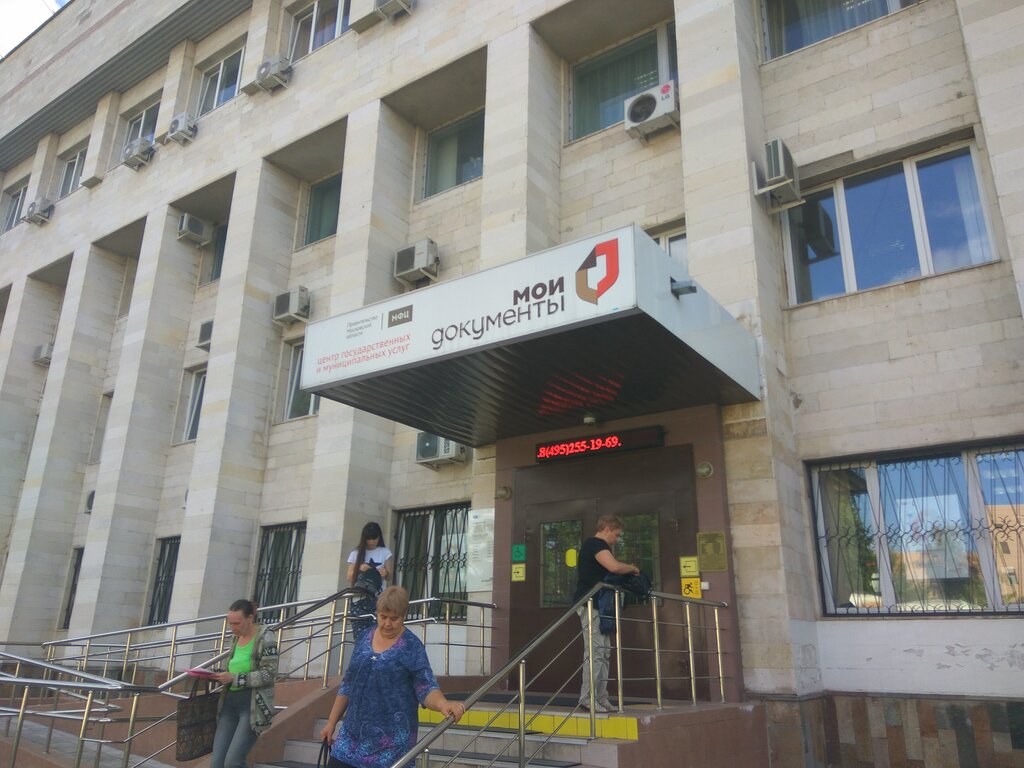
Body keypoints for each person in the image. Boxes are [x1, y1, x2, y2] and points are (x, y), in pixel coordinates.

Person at [319, 586, 466, 768]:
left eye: (394, 618)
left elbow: (425, 686)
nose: (387, 624)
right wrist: (331, 722)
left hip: (391, 750)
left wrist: (444, 704)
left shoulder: (411, 646)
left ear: (404, 616)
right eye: (383, 617)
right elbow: (348, 683)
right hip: (349, 743)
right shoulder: (364, 637)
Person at [573, 515, 640, 714]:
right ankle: (587, 698)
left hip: (601, 606)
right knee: (595, 652)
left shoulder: (600, 547)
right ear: (607, 528)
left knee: (604, 652)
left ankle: (601, 697)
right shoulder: (594, 544)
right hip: (591, 604)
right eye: (616, 535)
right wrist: (633, 568)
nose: (616, 539)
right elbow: (614, 567)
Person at [210, 599, 278, 768]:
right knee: (217, 762)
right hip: (229, 704)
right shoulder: (235, 639)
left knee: (233, 762)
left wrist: (235, 678)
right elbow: (234, 668)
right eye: (230, 623)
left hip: (252, 707)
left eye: (237, 623)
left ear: (249, 618)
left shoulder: (265, 636)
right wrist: (218, 675)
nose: (233, 628)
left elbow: (269, 674)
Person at [346, 522, 394, 636]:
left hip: (378, 598)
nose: (372, 541)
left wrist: (385, 572)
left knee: (376, 633)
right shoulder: (356, 553)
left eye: (374, 538)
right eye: (369, 539)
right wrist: (360, 568)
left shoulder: (385, 552)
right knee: (360, 635)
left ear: (379, 537)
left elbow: (389, 576)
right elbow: (349, 576)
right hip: (359, 598)